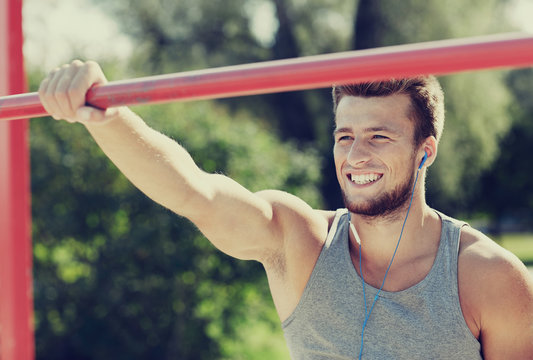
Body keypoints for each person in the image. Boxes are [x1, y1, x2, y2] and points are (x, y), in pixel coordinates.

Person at [39, 60, 533, 359]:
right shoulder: (300, 242)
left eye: (379, 136)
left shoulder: (489, 278)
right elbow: (195, 192)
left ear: (425, 150)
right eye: (345, 136)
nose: (356, 155)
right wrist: (103, 118)